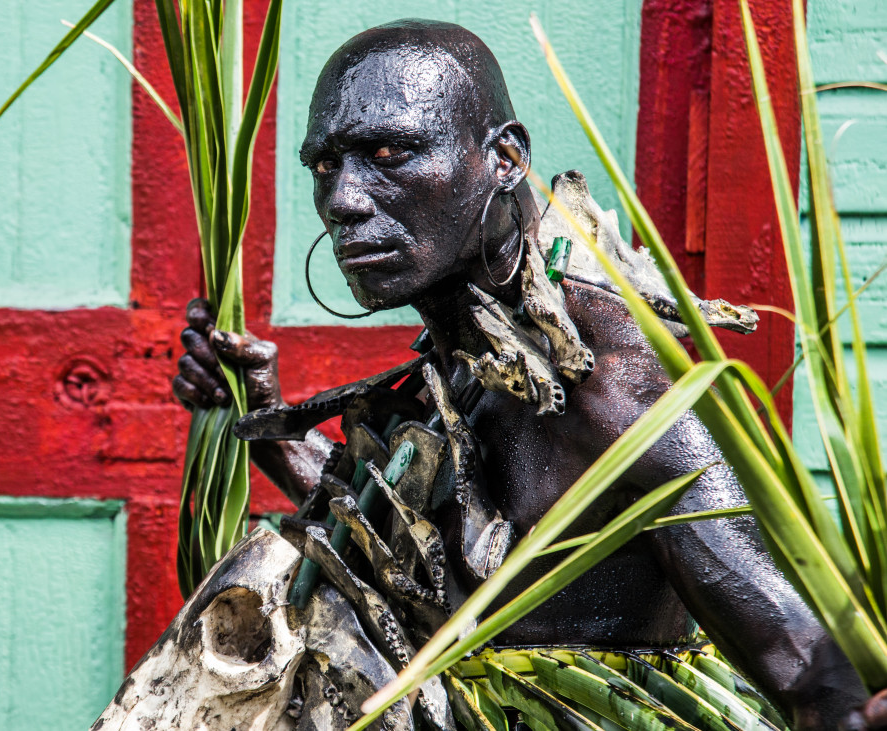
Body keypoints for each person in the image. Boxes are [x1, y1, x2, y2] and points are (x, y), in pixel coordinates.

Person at [171, 19, 868, 729]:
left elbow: (805, 663)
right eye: (324, 166)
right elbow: (402, 543)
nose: (344, 199)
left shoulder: (609, 383)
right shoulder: (465, 360)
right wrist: (266, 420)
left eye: (388, 153)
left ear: (505, 158)